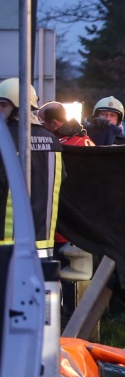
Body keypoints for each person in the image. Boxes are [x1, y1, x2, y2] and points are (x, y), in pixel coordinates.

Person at [0, 79, 63, 259]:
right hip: (43, 244)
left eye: (3, 105)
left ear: (19, 107)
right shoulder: (52, 140)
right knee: (44, 286)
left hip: (6, 245)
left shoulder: (4, 138)